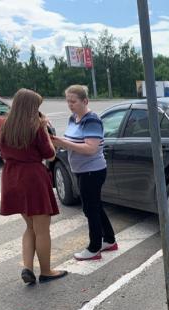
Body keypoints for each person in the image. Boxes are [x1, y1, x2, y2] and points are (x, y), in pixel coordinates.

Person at [0, 89, 68, 284]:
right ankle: (46, 271)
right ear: (31, 107)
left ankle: (27, 267)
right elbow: (50, 155)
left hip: (12, 177)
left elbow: (2, 154)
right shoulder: (36, 126)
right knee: (42, 229)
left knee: (30, 226)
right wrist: (45, 130)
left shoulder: (3, 125)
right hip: (33, 178)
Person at [51, 85, 117, 260]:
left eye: (73, 101)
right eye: (68, 101)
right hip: (81, 170)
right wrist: (59, 141)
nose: (70, 105)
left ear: (85, 101)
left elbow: (90, 148)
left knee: (90, 209)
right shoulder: (73, 118)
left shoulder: (92, 120)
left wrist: (64, 143)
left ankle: (94, 248)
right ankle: (109, 240)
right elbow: (72, 139)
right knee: (94, 206)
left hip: (92, 171)